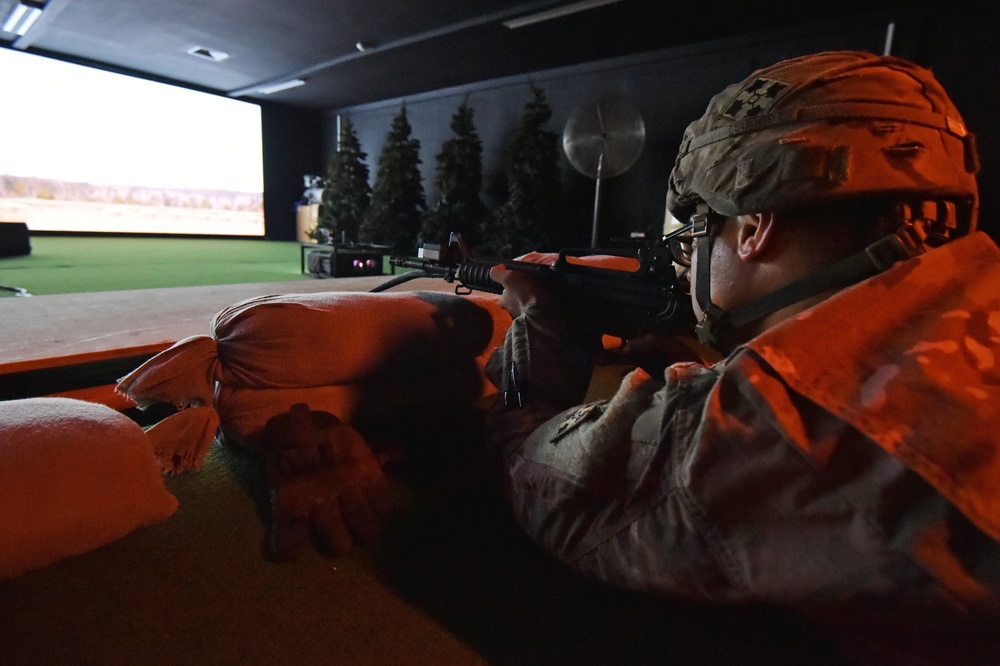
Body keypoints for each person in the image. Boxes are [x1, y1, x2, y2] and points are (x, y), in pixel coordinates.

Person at [484, 50, 1000, 664]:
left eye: (701, 230)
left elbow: (538, 475)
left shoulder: (764, 420)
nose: (688, 258)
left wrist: (537, 326)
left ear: (755, 227)